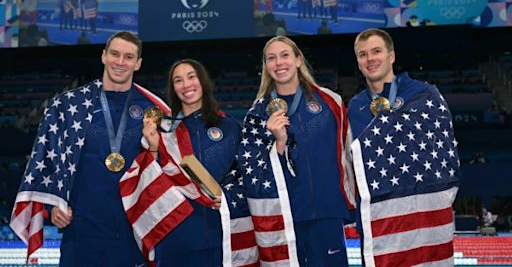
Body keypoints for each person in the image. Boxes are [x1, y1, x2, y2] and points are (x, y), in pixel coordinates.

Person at [10, 31, 158, 266]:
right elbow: (49, 161)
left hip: (132, 234)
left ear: (138, 63)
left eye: (128, 57)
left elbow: (162, 170)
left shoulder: (154, 110)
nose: (120, 62)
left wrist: (155, 148)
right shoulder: (70, 105)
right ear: (103, 56)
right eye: (115, 54)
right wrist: (54, 204)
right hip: (81, 232)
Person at [130, 59, 259, 266]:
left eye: (191, 77)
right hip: (177, 236)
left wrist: (229, 197)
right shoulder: (162, 130)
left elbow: (247, 175)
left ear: (203, 81)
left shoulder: (230, 127)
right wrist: (153, 147)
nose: (186, 85)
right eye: (178, 80)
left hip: (222, 233)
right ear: (173, 89)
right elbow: (148, 182)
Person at [348, 28, 460, 266]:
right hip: (379, 221)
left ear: (391, 56)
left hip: (423, 217)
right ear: (358, 62)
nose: (370, 59)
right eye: (363, 54)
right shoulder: (355, 106)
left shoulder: (423, 94)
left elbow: (444, 152)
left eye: (377, 51)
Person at [240, 36, 356, 266]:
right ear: (266, 66)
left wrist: (350, 204)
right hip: (284, 217)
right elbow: (252, 172)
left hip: (327, 212)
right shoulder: (257, 113)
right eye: (271, 58)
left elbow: (348, 155)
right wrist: (280, 144)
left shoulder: (330, 101)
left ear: (298, 60)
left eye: (285, 55)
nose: (279, 63)